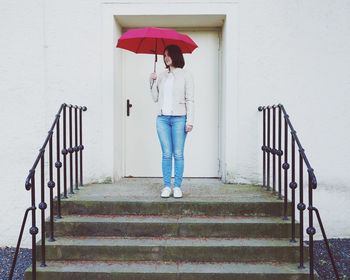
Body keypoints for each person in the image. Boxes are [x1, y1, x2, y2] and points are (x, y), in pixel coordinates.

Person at [149, 44, 194, 199]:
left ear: (176, 55)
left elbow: (190, 100)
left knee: (178, 154)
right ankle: (167, 186)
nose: (166, 58)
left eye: (168, 55)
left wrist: (190, 121)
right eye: (164, 55)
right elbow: (155, 98)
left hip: (180, 119)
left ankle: (178, 187)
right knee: (166, 154)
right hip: (162, 119)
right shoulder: (161, 76)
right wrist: (152, 81)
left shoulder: (186, 75)